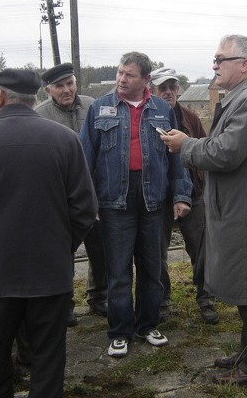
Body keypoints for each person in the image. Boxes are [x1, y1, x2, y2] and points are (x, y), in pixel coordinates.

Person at [0, 69, 98, 398]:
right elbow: (85, 209)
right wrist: (62, 246)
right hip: (50, 270)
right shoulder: (66, 141)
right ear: (34, 98)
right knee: (48, 356)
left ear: (0, 96)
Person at [161, 35, 247, 385]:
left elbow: (223, 153)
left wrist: (184, 145)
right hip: (244, 210)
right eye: (214, 59)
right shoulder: (245, 97)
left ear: (244, 64)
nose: (214, 65)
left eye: (221, 59)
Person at [79, 52, 193, 358]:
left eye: (129, 75)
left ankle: (147, 325)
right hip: (113, 201)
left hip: (153, 199)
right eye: (119, 73)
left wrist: (181, 195)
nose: (121, 79)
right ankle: (119, 332)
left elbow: (176, 157)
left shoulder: (161, 109)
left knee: (151, 267)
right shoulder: (100, 108)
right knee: (117, 271)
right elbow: (84, 158)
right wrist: (87, 201)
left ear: (145, 80)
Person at [36, 63, 107, 324]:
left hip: (95, 194)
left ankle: (99, 297)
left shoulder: (93, 105)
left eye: (70, 83)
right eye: (59, 86)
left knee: (100, 251)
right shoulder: (40, 115)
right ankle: (63, 303)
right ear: (48, 90)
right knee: (61, 254)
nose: (66, 90)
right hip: (61, 198)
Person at [150, 67, 219, 325]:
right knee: (157, 251)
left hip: (194, 192)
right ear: (152, 90)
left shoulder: (189, 117)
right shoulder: (147, 118)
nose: (168, 92)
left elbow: (207, 148)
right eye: (162, 88)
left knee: (201, 248)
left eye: (172, 87)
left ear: (178, 89)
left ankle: (206, 298)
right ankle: (162, 300)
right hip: (159, 197)